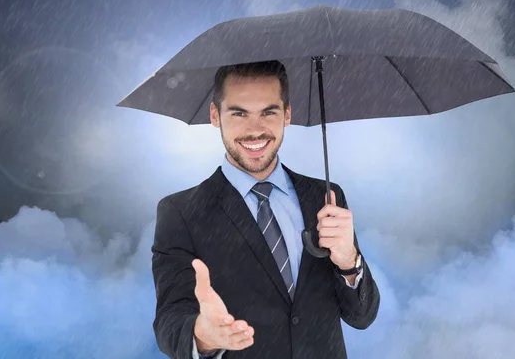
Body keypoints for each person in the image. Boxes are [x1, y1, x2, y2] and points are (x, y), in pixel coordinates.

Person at [152, 60, 380, 359]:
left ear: (287, 114)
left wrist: (348, 261)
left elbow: (361, 317)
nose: (255, 130)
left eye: (268, 112)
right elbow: (169, 322)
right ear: (215, 115)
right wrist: (203, 335)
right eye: (239, 113)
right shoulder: (180, 212)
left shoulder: (326, 198)